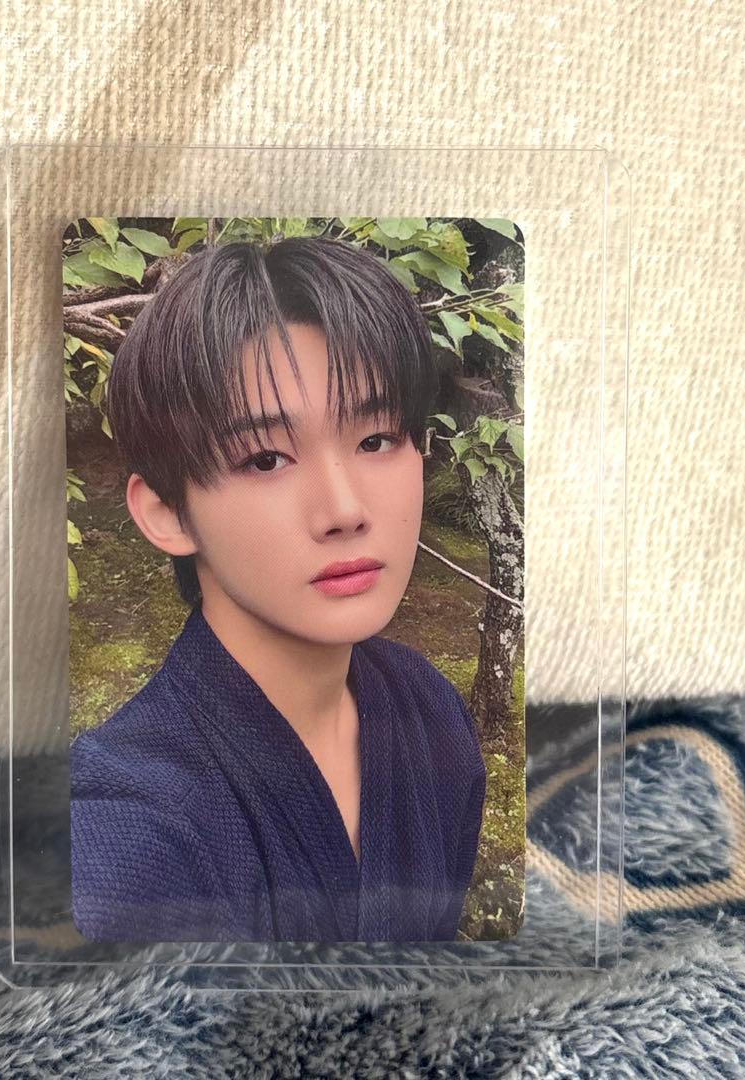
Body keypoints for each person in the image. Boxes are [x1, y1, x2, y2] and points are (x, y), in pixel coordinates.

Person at [70, 235, 486, 943]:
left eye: (377, 440)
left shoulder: (431, 715)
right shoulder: (127, 839)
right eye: (266, 458)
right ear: (167, 512)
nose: (345, 509)